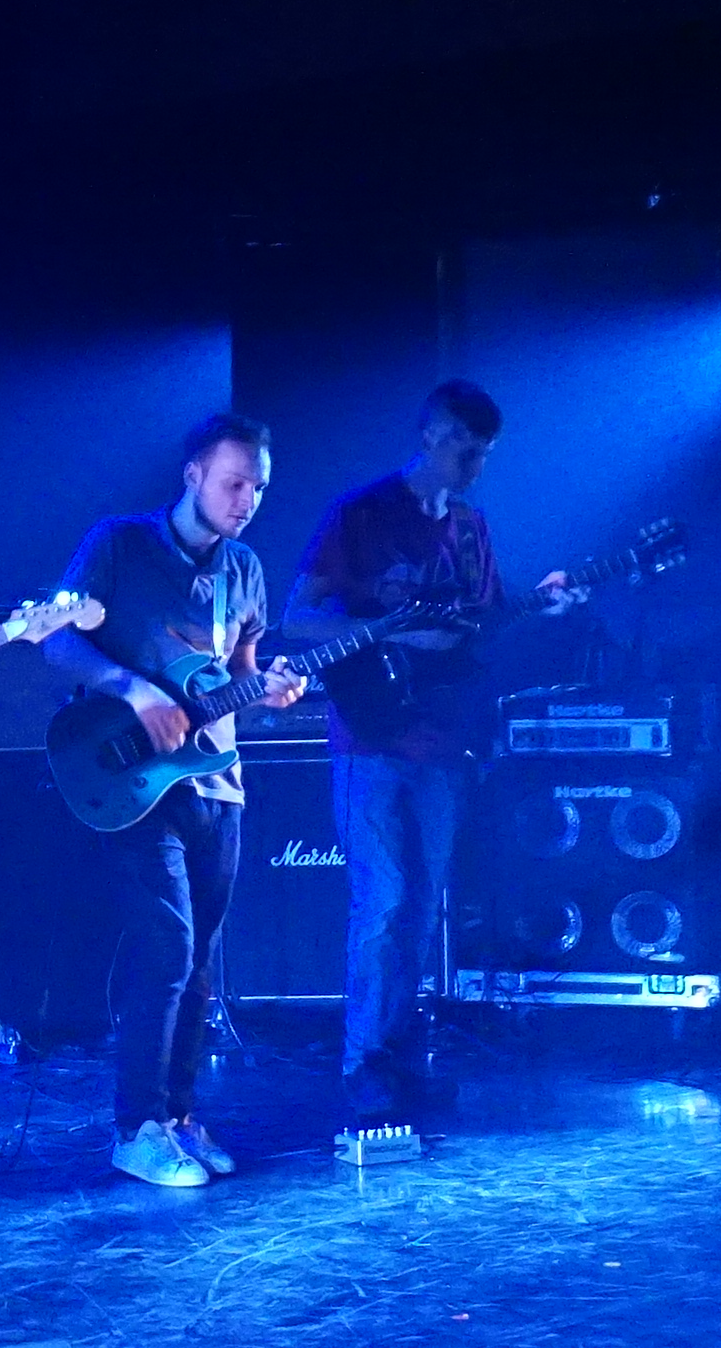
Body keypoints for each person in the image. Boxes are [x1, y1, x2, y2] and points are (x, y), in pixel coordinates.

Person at [294, 379, 580, 1125]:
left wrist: (539, 605)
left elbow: (478, 627)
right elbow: (298, 619)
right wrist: (391, 632)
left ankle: (395, 1058)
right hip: (370, 733)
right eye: (464, 450)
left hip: (444, 741)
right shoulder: (361, 514)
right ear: (429, 436)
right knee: (382, 900)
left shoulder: (472, 529)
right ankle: (360, 1062)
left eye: (484, 455)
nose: (473, 467)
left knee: (422, 911)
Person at [42, 411, 309, 1192]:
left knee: (200, 965)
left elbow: (240, 673)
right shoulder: (118, 545)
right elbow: (55, 639)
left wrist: (271, 689)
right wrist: (130, 689)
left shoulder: (245, 570)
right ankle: (135, 1128)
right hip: (133, 781)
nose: (247, 501)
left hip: (217, 781)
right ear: (192, 475)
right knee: (167, 948)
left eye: (258, 488)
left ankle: (179, 1117)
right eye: (234, 483)